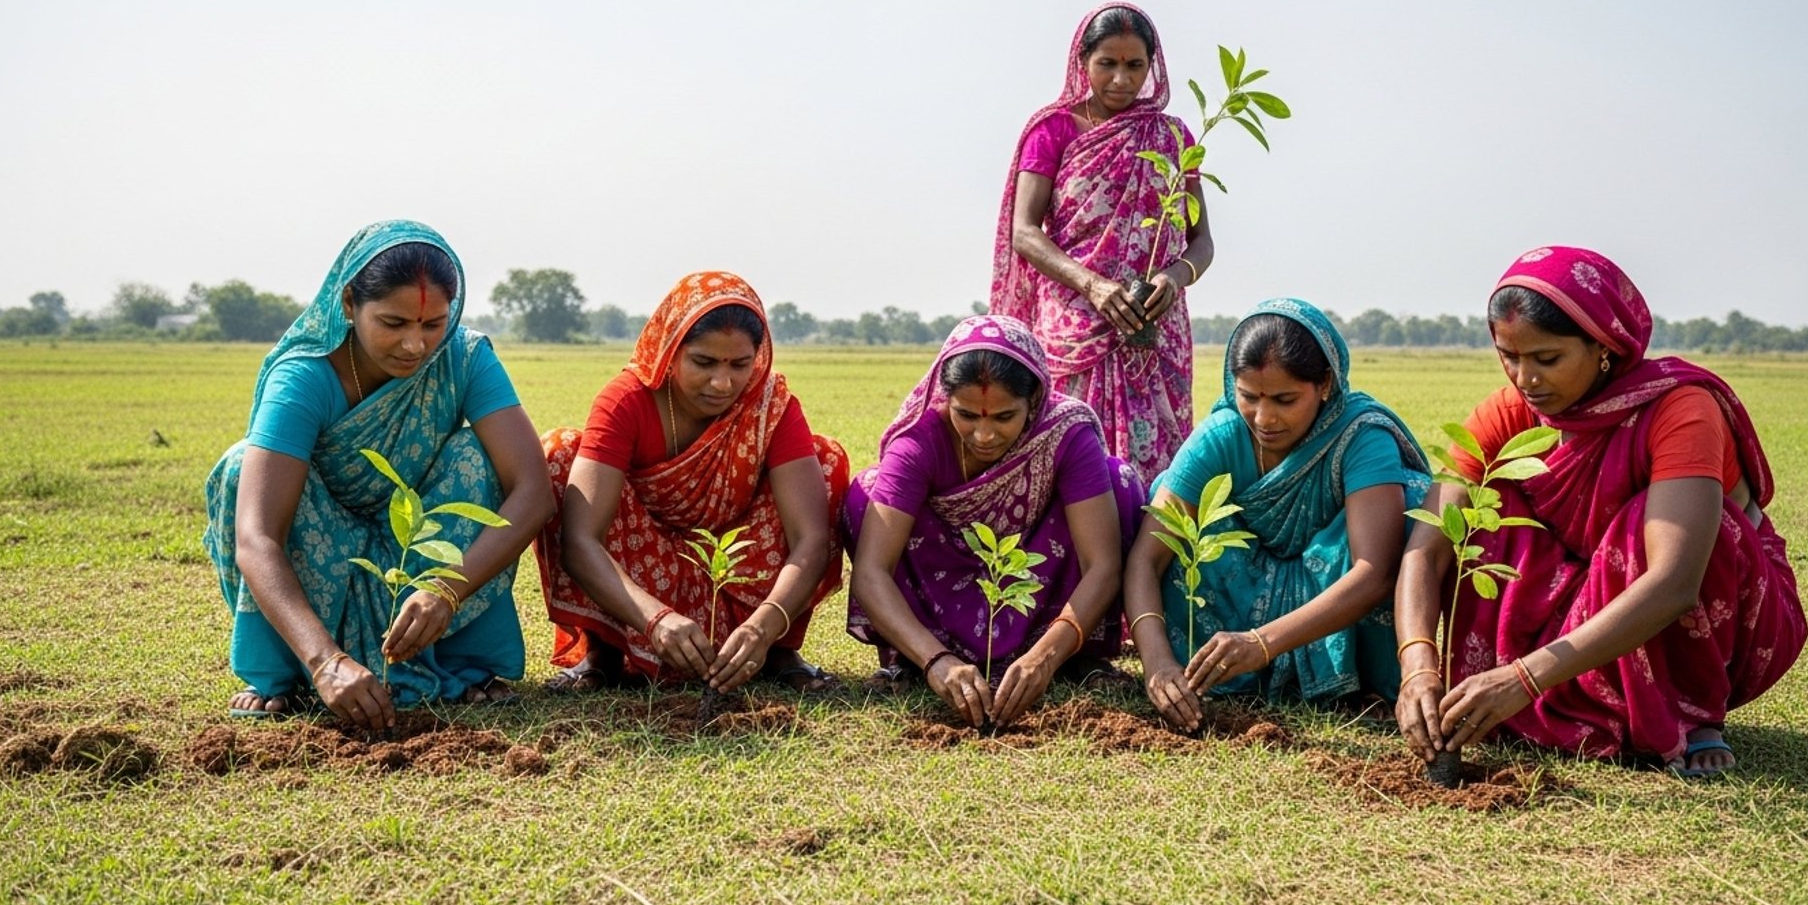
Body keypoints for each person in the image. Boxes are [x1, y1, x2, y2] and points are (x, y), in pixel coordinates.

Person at [1394, 247, 1808, 776]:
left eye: (1547, 359)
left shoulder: (1679, 408)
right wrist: (1417, 666)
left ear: (1605, 347)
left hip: (1709, 601)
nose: (1526, 379)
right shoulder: (1507, 414)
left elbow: (1676, 580)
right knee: (1483, 512)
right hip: (1583, 592)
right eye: (1510, 356)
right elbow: (1426, 552)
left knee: (1649, 526)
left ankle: (1689, 714)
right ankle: (1544, 709)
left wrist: (1524, 678)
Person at [204, 221, 552, 729]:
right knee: (242, 467)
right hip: (322, 552)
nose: (415, 345)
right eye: (393, 323)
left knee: (479, 455)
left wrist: (446, 589)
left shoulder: (465, 358)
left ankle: (457, 664)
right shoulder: (303, 377)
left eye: (432, 324)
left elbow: (533, 492)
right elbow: (257, 537)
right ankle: (295, 672)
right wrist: (326, 661)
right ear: (349, 304)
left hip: (420, 547)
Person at [1125, 299, 1431, 731]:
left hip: (1336, 588)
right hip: (1242, 592)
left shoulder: (1360, 436)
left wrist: (1261, 644)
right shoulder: (1222, 435)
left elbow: (1374, 570)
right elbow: (1146, 558)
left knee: (1414, 508)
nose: (1264, 418)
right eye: (1249, 397)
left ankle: (1355, 684)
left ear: (1325, 384)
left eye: (1285, 399)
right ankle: (1222, 671)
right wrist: (1156, 663)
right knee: (1174, 519)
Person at [534, 272, 847, 694]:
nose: (723, 383)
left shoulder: (769, 405)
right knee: (561, 455)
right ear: (669, 351)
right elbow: (580, 540)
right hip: (641, 573)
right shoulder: (626, 401)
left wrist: (766, 624)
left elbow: (809, 538)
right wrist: (654, 619)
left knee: (824, 461)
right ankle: (604, 652)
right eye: (704, 363)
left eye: (740, 364)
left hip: (735, 569)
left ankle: (776, 650)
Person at [843, 315, 1146, 728]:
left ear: (1035, 399)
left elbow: (1103, 564)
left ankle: (1076, 659)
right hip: (942, 575)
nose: (983, 435)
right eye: (966, 414)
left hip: (1037, 576)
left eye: (1004, 417)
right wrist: (937, 661)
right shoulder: (918, 441)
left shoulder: (1064, 432)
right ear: (945, 399)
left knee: (1119, 483)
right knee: (868, 494)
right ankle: (913, 661)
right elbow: (871, 571)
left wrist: (1045, 657)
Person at [993, 1, 1214, 486]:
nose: (1121, 79)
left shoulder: (1174, 137)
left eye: (1134, 66)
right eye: (1107, 64)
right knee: (1070, 464)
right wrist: (1093, 286)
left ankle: (1152, 560)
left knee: (1159, 475)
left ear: (1152, 67)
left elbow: (1202, 242)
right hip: (1075, 324)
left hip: (1153, 327)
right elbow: (1024, 232)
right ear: (1082, 62)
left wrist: (1173, 279)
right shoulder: (1052, 130)